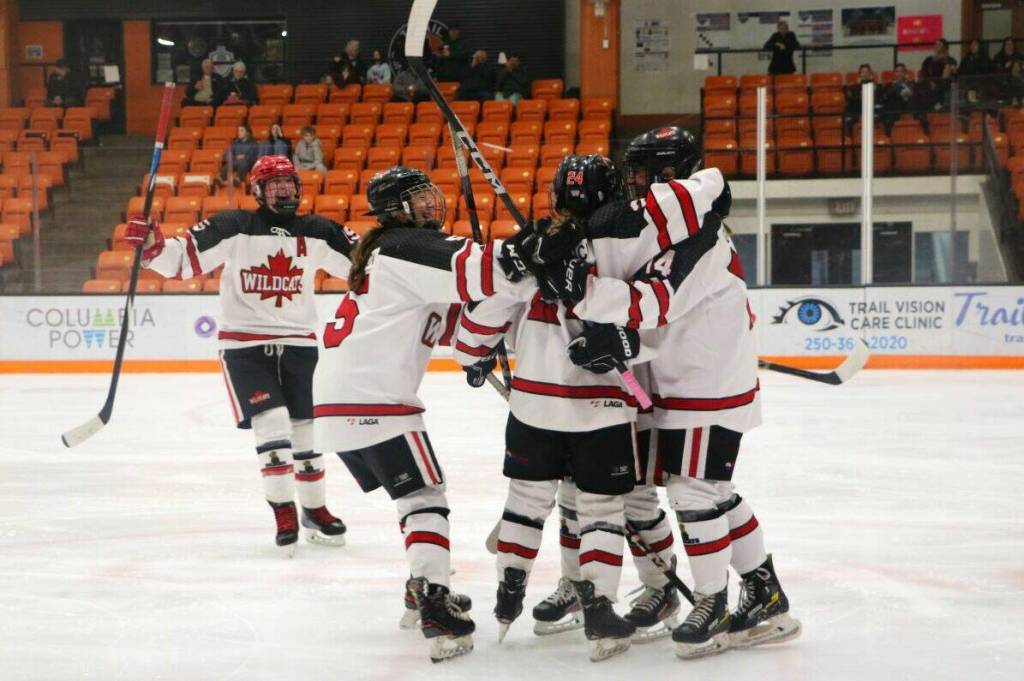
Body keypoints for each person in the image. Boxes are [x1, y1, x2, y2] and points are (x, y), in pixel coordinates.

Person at [534, 129, 801, 660]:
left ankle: (714, 602)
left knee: (694, 494)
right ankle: (764, 593)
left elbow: (652, 304)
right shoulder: (671, 230)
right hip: (681, 386)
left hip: (708, 388)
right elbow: (649, 318)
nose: (630, 183)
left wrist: (579, 292)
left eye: (639, 172)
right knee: (710, 491)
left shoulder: (699, 235)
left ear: (667, 174)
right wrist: (618, 344)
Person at [311, 166, 576, 662]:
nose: (434, 204)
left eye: (432, 195)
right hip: (375, 400)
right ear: (397, 210)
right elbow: (489, 269)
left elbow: (467, 312)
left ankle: (420, 589)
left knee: (413, 499)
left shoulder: (395, 255)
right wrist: (533, 244)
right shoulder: (405, 245)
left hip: (338, 402)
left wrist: (480, 344)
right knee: (424, 497)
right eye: (421, 198)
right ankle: (435, 603)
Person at [455, 152, 710, 660]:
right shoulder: (631, 245)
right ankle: (597, 606)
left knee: (527, 504)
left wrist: (482, 345)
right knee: (601, 510)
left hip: (534, 409)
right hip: (603, 409)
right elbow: (659, 320)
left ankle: (508, 598)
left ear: (554, 197)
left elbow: (470, 335)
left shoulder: (528, 248)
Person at [123, 156, 354, 556]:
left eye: (289, 182)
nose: (284, 189)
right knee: (274, 424)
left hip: (300, 345)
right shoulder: (234, 226)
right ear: (258, 191)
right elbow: (182, 259)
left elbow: (364, 266)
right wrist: (152, 244)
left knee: (306, 433)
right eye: (274, 183)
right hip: (246, 348)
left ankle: (314, 510)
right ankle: (283, 510)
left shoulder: (319, 231)